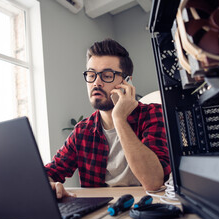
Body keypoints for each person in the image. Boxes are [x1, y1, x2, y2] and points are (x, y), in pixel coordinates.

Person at [45, 38, 170, 198]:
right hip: (102, 214)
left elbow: (153, 182)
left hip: (148, 208)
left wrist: (119, 119)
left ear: (127, 82)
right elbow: (52, 172)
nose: (96, 83)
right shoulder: (82, 131)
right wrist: (49, 185)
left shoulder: (152, 114)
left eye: (107, 75)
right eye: (91, 75)